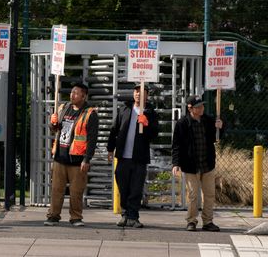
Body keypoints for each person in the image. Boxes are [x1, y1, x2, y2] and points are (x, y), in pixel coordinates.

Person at [44, 82, 99, 227]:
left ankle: (75, 217)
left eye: (76, 93)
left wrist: (87, 159)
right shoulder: (63, 108)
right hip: (60, 157)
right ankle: (53, 216)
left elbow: (92, 139)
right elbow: (55, 130)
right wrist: (53, 123)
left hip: (77, 159)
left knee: (76, 192)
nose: (72, 95)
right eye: (71, 92)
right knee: (56, 189)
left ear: (83, 96)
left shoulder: (90, 113)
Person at [106, 86, 159, 228]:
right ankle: (124, 214)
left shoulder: (150, 112)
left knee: (136, 188)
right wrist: (110, 149)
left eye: (141, 92)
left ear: (146, 96)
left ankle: (133, 216)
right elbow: (114, 129)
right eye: (136, 92)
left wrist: (146, 124)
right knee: (123, 186)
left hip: (139, 158)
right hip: (123, 156)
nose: (138, 94)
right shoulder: (124, 109)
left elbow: (154, 135)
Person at [171, 95, 223, 232]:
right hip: (190, 165)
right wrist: (175, 163)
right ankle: (191, 221)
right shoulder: (182, 123)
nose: (202, 108)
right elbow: (176, 145)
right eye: (198, 106)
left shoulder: (208, 120)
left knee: (210, 194)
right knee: (193, 195)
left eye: (202, 106)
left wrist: (220, 127)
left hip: (207, 164)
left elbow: (215, 137)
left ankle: (208, 222)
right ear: (190, 108)